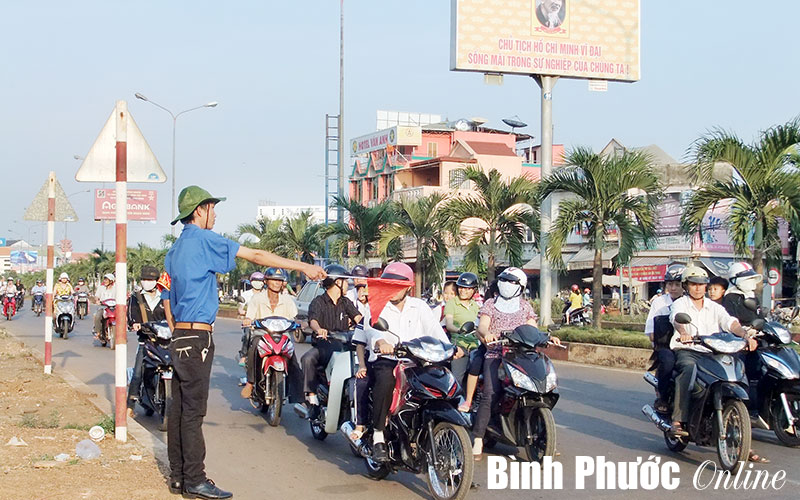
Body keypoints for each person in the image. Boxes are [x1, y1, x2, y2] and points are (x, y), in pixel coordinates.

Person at [162, 185, 324, 499]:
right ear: (200, 210)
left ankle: (179, 477)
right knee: (194, 412)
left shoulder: (175, 249)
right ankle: (196, 479)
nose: (216, 214)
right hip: (197, 337)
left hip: (180, 335)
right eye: (213, 208)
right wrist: (303, 267)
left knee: (179, 409)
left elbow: (171, 297)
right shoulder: (204, 239)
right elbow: (257, 255)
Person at [367, 262, 454, 461]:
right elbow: (372, 329)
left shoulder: (420, 307)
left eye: (398, 285)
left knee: (441, 379)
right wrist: (381, 341)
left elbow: (436, 332)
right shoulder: (376, 304)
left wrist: (450, 348)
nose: (393, 289)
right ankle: (378, 435)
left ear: (408, 287)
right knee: (386, 380)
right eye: (389, 284)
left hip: (417, 361)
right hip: (388, 359)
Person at [471, 266, 557, 459]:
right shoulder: (490, 305)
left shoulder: (525, 307)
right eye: (504, 280)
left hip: (523, 355)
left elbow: (533, 328)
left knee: (542, 387)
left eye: (512, 281)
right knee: (491, 393)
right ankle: (478, 438)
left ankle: (543, 433)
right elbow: (482, 326)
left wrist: (547, 338)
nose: (507, 285)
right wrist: (487, 334)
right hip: (496, 354)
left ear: (521, 286)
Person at [668, 265, 754, 437]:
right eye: (693, 284)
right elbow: (677, 320)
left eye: (701, 284)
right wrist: (684, 333)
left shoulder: (714, 307)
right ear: (686, 285)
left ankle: (742, 418)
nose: (698, 288)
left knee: (737, 367)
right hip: (689, 350)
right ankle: (678, 420)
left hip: (712, 352)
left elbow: (730, 322)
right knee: (688, 369)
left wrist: (745, 335)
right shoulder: (680, 304)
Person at [721, 261, 769, 464]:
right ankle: (748, 410)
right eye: (746, 278)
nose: (750, 282)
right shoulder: (730, 298)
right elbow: (732, 323)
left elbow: (761, 318)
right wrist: (745, 332)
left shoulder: (752, 297)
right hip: (738, 344)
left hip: (755, 340)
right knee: (747, 374)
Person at [300, 263, 362, 417]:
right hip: (324, 345)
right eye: (345, 281)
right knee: (307, 359)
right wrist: (319, 329)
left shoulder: (346, 302)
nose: (348, 284)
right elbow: (313, 320)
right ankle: (312, 398)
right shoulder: (318, 302)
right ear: (337, 282)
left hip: (345, 346)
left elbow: (358, 318)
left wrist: (368, 325)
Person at [240, 267, 303, 405]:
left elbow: (294, 317)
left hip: (282, 335)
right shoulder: (257, 299)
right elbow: (249, 316)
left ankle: (299, 398)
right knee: (253, 349)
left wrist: (300, 323)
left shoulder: (287, 300)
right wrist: (248, 320)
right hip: (262, 334)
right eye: (274, 279)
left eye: (279, 280)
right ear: (266, 281)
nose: (277, 283)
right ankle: (250, 383)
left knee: (293, 360)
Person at [126, 265, 167, 418]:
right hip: (146, 341)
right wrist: (134, 324)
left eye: (150, 279)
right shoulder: (136, 297)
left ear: (157, 281)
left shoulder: (165, 297)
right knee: (137, 373)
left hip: (165, 342)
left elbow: (173, 315)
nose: (146, 282)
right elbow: (131, 315)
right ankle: (130, 406)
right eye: (144, 279)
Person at [644, 264, 685, 412]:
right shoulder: (659, 302)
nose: (673, 288)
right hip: (666, 346)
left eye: (677, 284)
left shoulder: (689, 302)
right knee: (668, 362)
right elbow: (650, 331)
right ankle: (662, 397)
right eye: (670, 284)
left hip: (689, 346)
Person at [443, 272, 481, 411]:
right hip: (460, 345)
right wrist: (459, 330)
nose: (463, 291)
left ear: (474, 290)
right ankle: (452, 407)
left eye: (467, 288)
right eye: (461, 287)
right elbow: (449, 324)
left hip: (476, 346)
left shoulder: (477, 306)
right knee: (456, 379)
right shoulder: (452, 303)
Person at [237, 272, 264, 370]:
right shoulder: (246, 294)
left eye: (260, 281)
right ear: (251, 282)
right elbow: (240, 308)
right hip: (250, 322)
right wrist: (244, 313)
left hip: (263, 322)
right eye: (255, 280)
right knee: (247, 335)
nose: (258, 283)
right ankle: (244, 356)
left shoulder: (265, 294)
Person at [92, 273, 115, 338]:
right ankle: (98, 332)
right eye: (104, 279)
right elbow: (96, 296)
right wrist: (97, 300)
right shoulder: (101, 288)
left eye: (107, 280)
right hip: (103, 307)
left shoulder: (115, 288)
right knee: (97, 316)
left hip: (113, 307)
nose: (105, 281)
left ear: (111, 281)